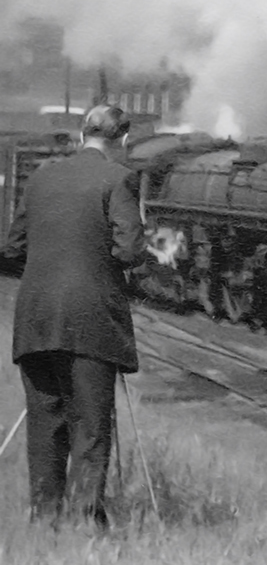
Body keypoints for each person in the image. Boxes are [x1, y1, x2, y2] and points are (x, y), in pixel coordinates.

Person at [3, 104, 147, 529]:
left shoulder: (42, 177)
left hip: (35, 317)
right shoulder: (119, 178)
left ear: (82, 133)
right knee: (89, 424)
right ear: (121, 140)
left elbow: (12, 248)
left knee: (45, 424)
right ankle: (85, 522)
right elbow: (130, 251)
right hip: (90, 319)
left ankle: (44, 521)